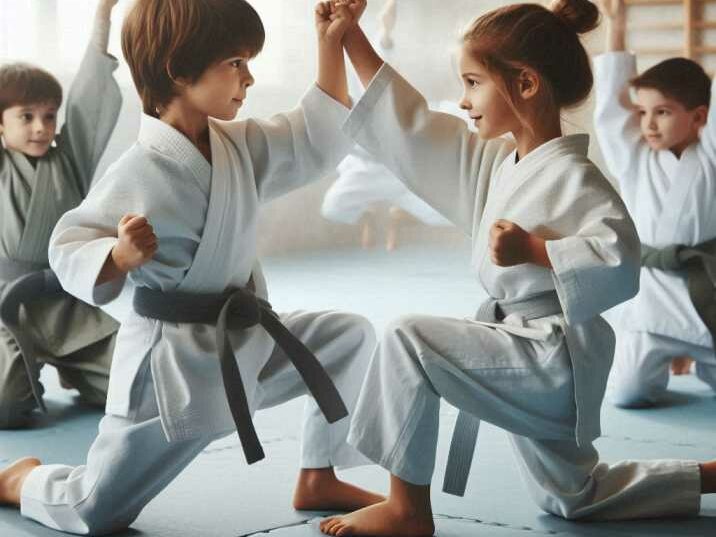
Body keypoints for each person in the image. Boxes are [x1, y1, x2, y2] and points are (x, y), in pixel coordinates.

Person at [319, 1, 716, 535]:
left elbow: (621, 258)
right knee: (575, 497)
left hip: (550, 356)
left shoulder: (576, 177)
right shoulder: (498, 166)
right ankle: (709, 475)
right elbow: (412, 129)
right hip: (522, 344)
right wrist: (352, 38)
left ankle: (407, 509)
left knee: (409, 340)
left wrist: (538, 251)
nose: (463, 100)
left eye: (473, 83)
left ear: (525, 84)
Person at [0, 1, 383, 534]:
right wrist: (117, 256)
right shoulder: (140, 169)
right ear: (179, 71)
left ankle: (319, 473)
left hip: (246, 340)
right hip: (174, 371)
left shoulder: (237, 144)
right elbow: (69, 245)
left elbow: (313, 137)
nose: (249, 77)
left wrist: (330, 41)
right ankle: (21, 481)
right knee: (95, 510)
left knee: (346, 338)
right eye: (235, 62)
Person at [0, 0, 122, 429]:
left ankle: (76, 369)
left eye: (49, 116)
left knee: (135, 388)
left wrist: (103, 15)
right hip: (5, 306)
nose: (40, 127)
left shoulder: (70, 159)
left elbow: (90, 99)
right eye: (26, 116)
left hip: (64, 303)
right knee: (5, 407)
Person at [594, 0, 716, 407]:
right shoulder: (634, 159)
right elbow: (612, 110)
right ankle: (664, 359)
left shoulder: (711, 157)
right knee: (627, 394)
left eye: (662, 112)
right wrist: (617, 26)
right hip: (651, 303)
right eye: (643, 112)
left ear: (700, 118)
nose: (647, 124)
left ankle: (698, 361)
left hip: (706, 298)